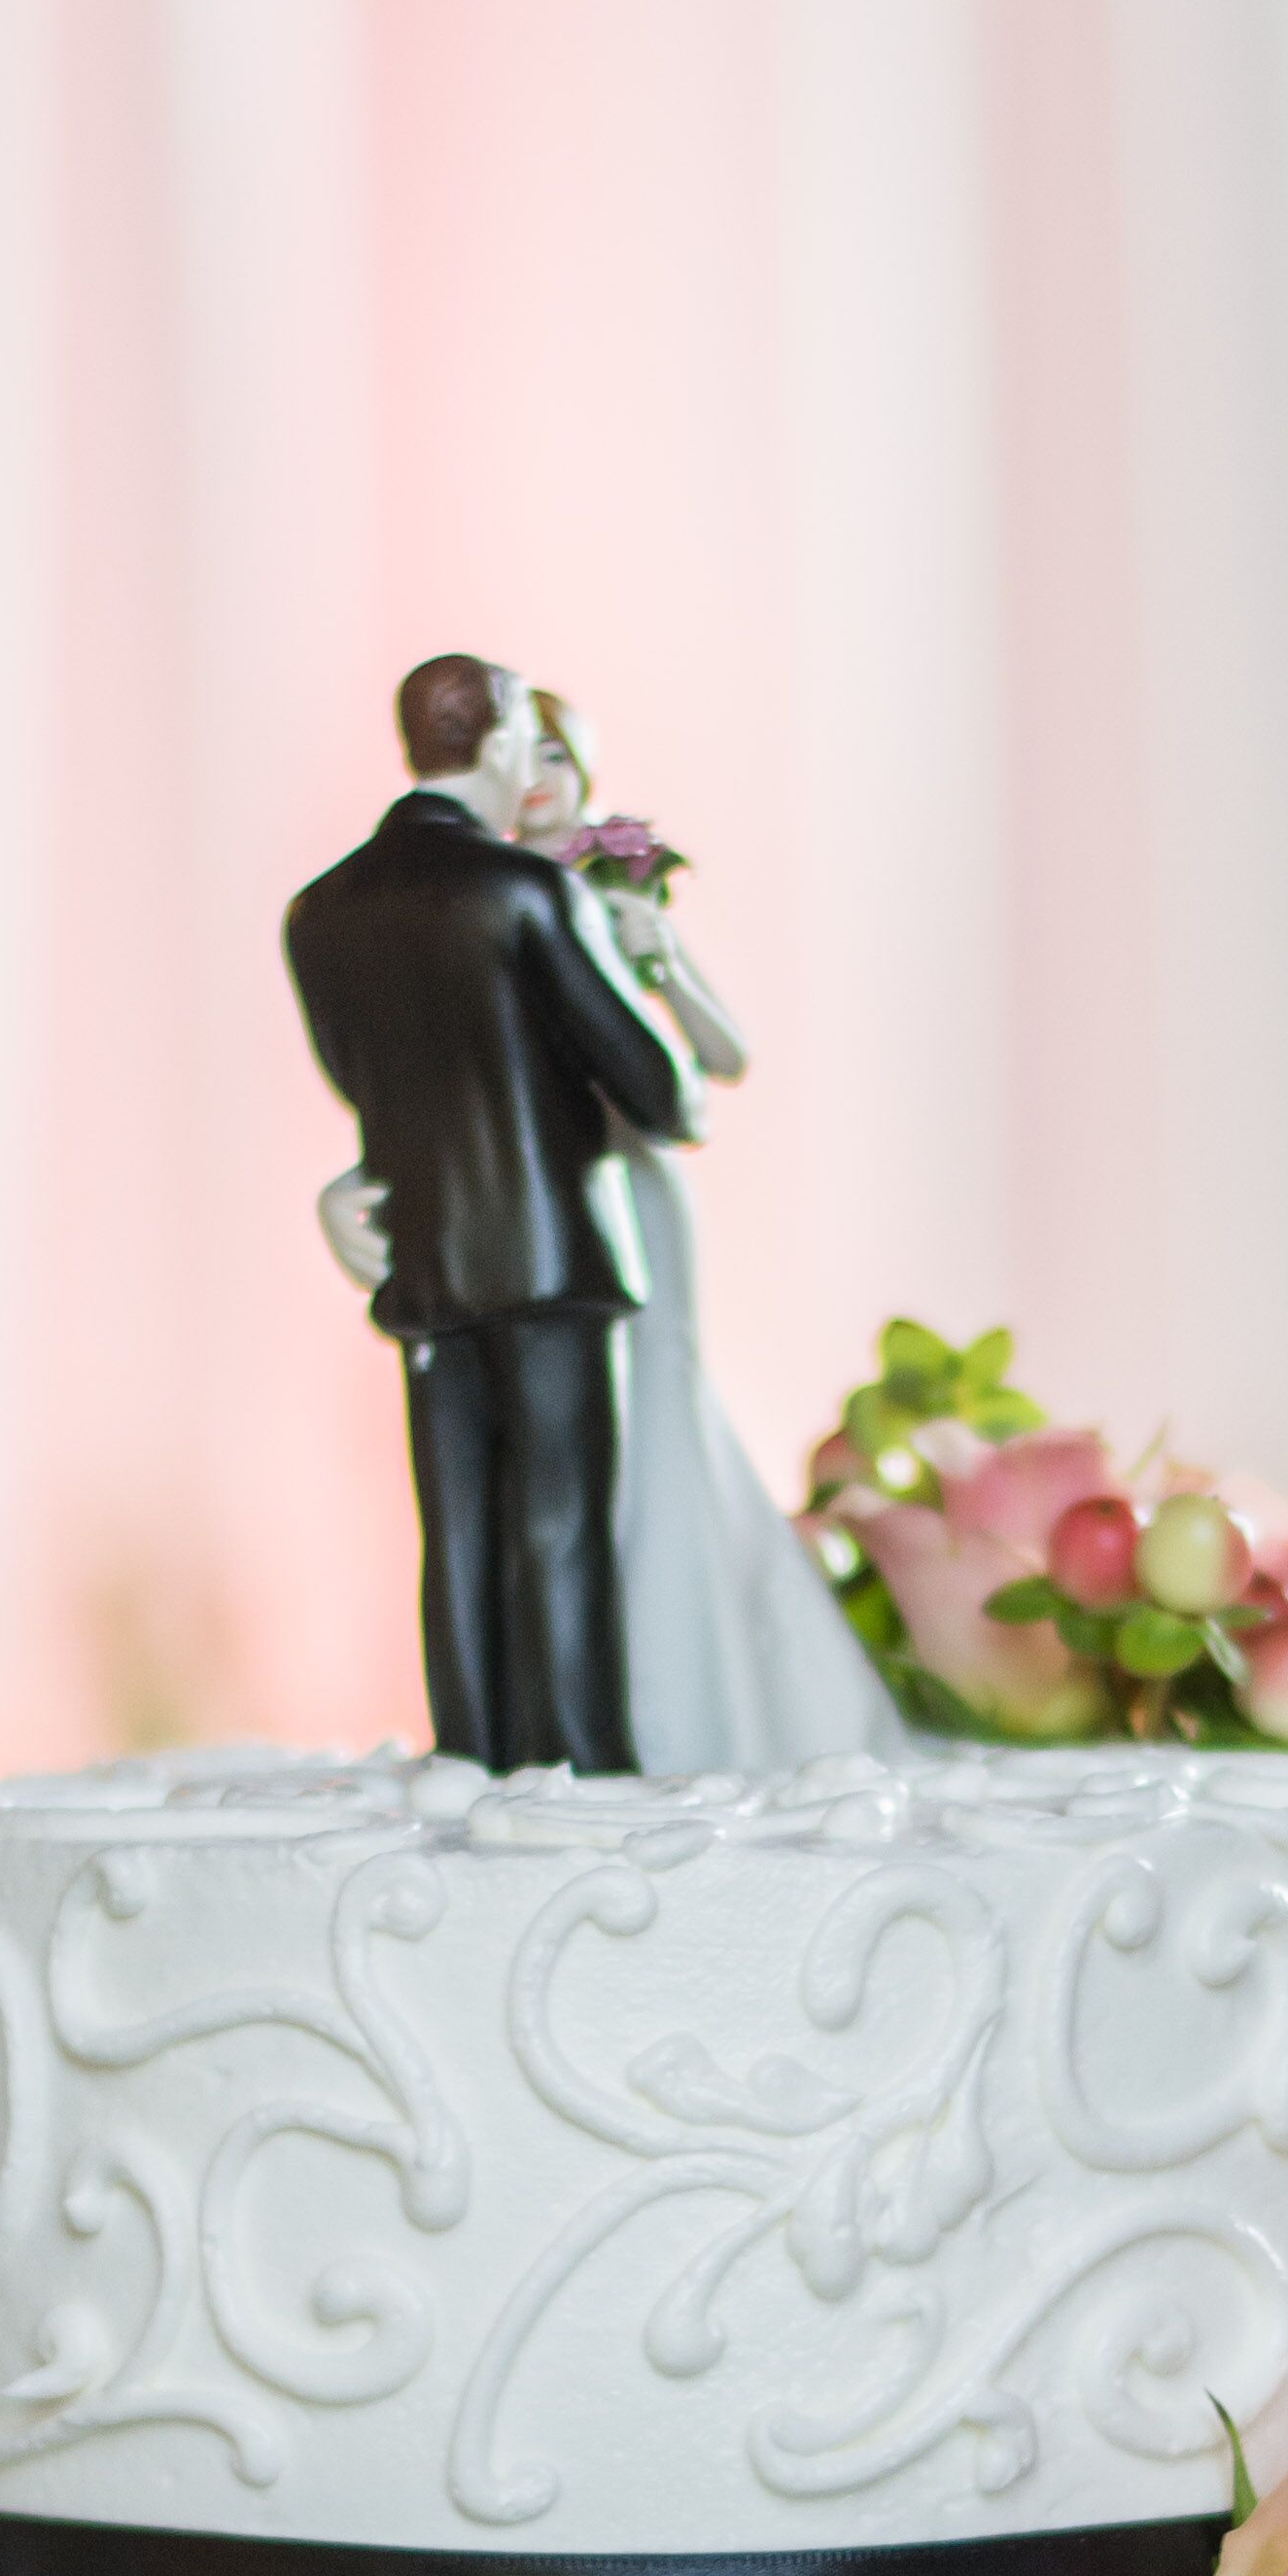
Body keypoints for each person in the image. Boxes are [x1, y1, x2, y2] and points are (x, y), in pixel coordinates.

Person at [284, 652, 693, 1773]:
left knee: (456, 1530)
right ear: (505, 738)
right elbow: (656, 1091)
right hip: (548, 1258)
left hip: (422, 1256)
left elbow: (362, 1082)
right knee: (558, 1521)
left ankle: (470, 1759)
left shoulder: (319, 913)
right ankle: (581, 1767)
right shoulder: (525, 890)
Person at [514, 692, 901, 1772]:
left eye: (560, 751)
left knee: (661, 1400)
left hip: (631, 1186)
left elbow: (722, 1060)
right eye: (524, 749)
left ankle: (704, 1693)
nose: (540, 773)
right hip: (544, 1190)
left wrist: (662, 959)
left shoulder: (606, 899)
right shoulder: (494, 902)